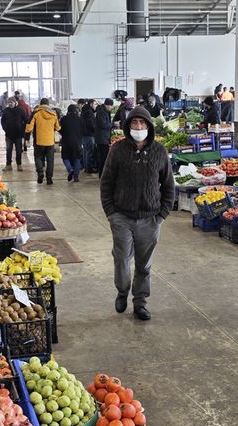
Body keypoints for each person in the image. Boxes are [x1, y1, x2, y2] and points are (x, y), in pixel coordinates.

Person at [100, 106, 174, 322]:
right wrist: (111, 212)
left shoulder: (159, 151)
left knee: (144, 264)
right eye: (134, 123)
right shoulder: (118, 150)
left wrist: (161, 215)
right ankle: (122, 292)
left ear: (149, 127)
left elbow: (169, 185)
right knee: (122, 259)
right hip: (121, 217)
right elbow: (106, 182)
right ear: (128, 126)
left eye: (142, 124)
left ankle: (140, 302)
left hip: (150, 219)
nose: (138, 127)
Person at [25, 98, 61, 185]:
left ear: (40, 104)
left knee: (38, 157)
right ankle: (49, 179)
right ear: (48, 104)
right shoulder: (53, 114)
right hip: (50, 142)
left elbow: (29, 127)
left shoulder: (36, 113)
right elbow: (57, 127)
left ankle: (40, 173)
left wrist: (27, 138)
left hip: (39, 141)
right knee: (50, 160)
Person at [1, 97, 28, 171]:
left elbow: (26, 120)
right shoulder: (6, 110)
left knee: (19, 150)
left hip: (18, 135)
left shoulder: (20, 110)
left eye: (11, 102)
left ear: (15, 102)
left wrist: (23, 130)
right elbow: (2, 121)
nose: (9, 104)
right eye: (8, 102)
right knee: (8, 150)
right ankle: (8, 165)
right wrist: (5, 128)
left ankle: (19, 164)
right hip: (9, 135)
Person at [59, 104, 85, 183]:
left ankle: (70, 169)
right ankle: (76, 177)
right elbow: (84, 130)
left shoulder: (64, 119)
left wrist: (63, 134)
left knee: (65, 158)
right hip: (77, 142)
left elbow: (59, 129)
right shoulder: (80, 119)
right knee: (77, 158)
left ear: (68, 111)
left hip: (66, 142)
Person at [95, 98, 114, 177]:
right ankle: (102, 175)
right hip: (102, 139)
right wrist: (112, 125)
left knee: (104, 157)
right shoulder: (101, 113)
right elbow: (103, 125)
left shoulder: (105, 112)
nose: (111, 108)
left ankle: (103, 174)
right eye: (111, 106)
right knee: (103, 157)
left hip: (104, 138)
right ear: (107, 105)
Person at [81, 100, 97, 173]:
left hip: (84, 134)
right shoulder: (89, 112)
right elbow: (91, 124)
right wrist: (95, 130)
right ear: (91, 104)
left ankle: (86, 167)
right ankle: (89, 169)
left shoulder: (84, 111)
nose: (95, 105)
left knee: (85, 151)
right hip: (89, 134)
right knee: (89, 152)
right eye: (95, 104)